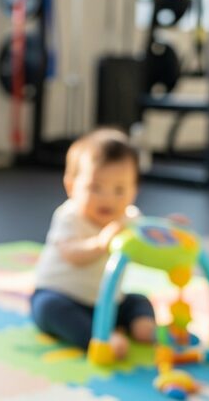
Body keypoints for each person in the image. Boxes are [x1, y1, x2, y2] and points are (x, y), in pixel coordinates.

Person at [29, 128, 156, 359]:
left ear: (134, 190)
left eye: (119, 190)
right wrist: (100, 243)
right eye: (95, 187)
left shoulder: (130, 218)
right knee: (49, 309)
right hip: (63, 296)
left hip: (107, 303)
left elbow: (150, 242)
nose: (107, 198)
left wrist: (171, 229)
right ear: (71, 186)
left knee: (138, 300)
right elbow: (71, 254)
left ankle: (142, 326)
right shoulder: (69, 216)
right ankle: (96, 339)